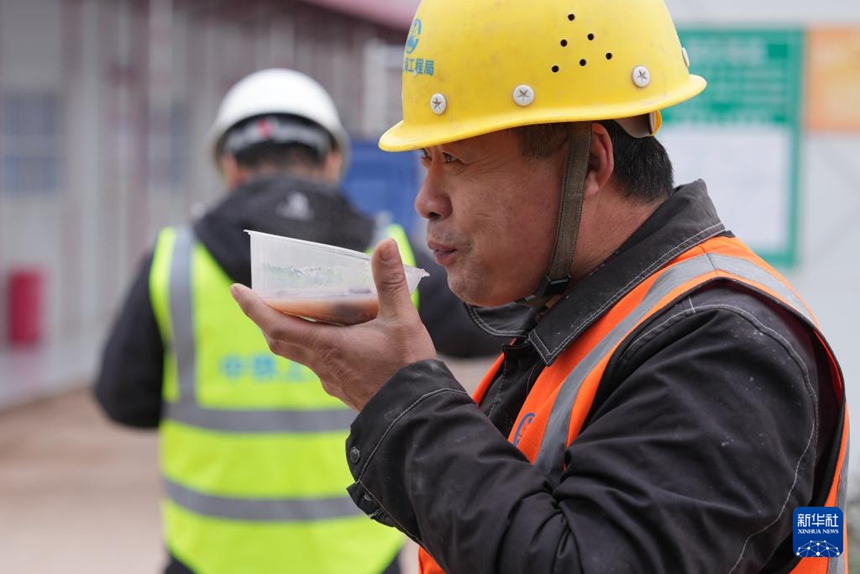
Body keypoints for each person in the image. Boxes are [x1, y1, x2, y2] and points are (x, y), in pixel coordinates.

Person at [231, 2, 850, 573]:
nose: (427, 201)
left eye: (460, 159)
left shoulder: (725, 348)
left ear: (592, 164)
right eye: (426, 162)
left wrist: (402, 399)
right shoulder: (596, 320)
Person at [94, 68, 503, 574]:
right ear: (331, 160)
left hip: (211, 558)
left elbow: (122, 400)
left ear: (229, 164)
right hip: (357, 560)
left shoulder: (173, 258)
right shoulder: (388, 253)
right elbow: (483, 323)